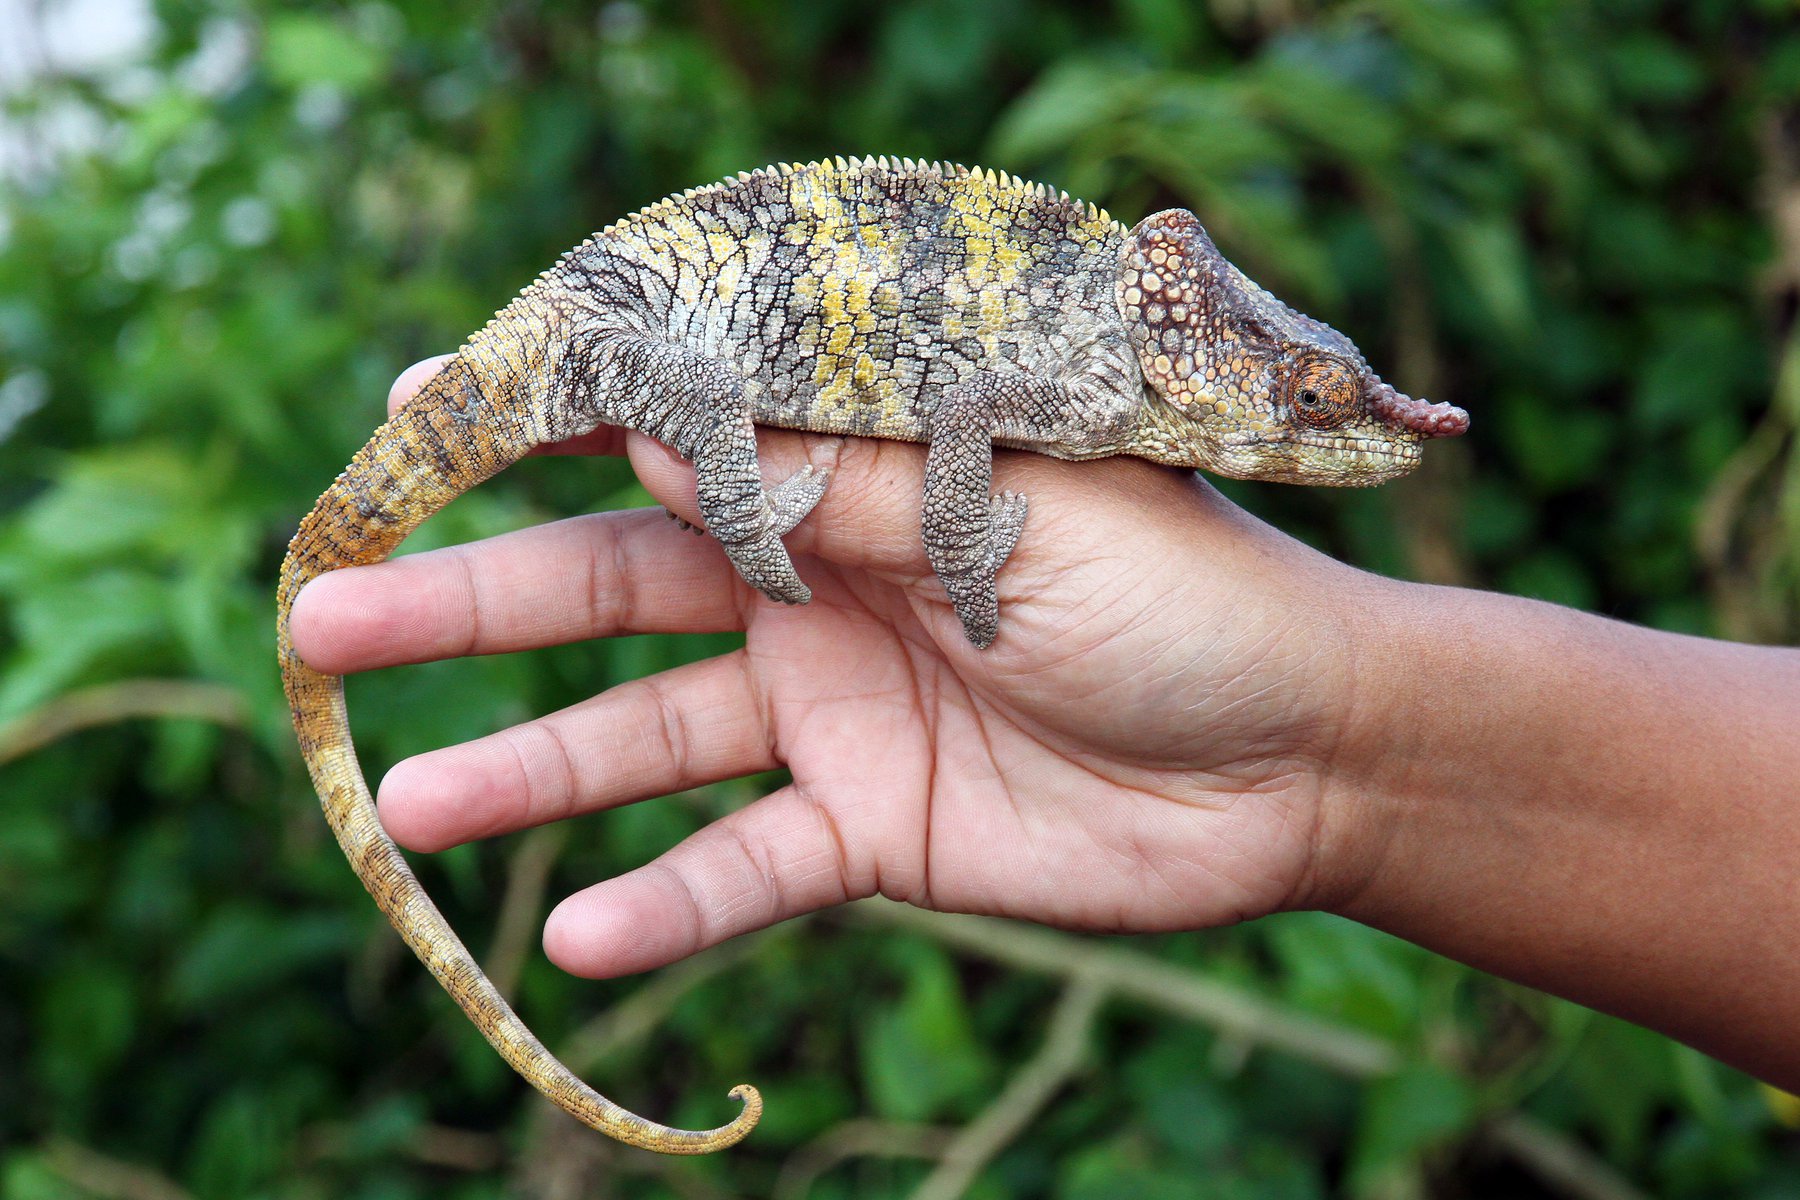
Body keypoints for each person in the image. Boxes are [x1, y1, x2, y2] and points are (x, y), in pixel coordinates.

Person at [290, 357, 1800, 1091]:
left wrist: (1331, 750)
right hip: (652, 324)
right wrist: (917, 535)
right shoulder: (1090, 369)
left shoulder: (1130, 383)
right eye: (1312, 403)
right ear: (1219, 361)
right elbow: (959, 401)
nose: (1316, 438)